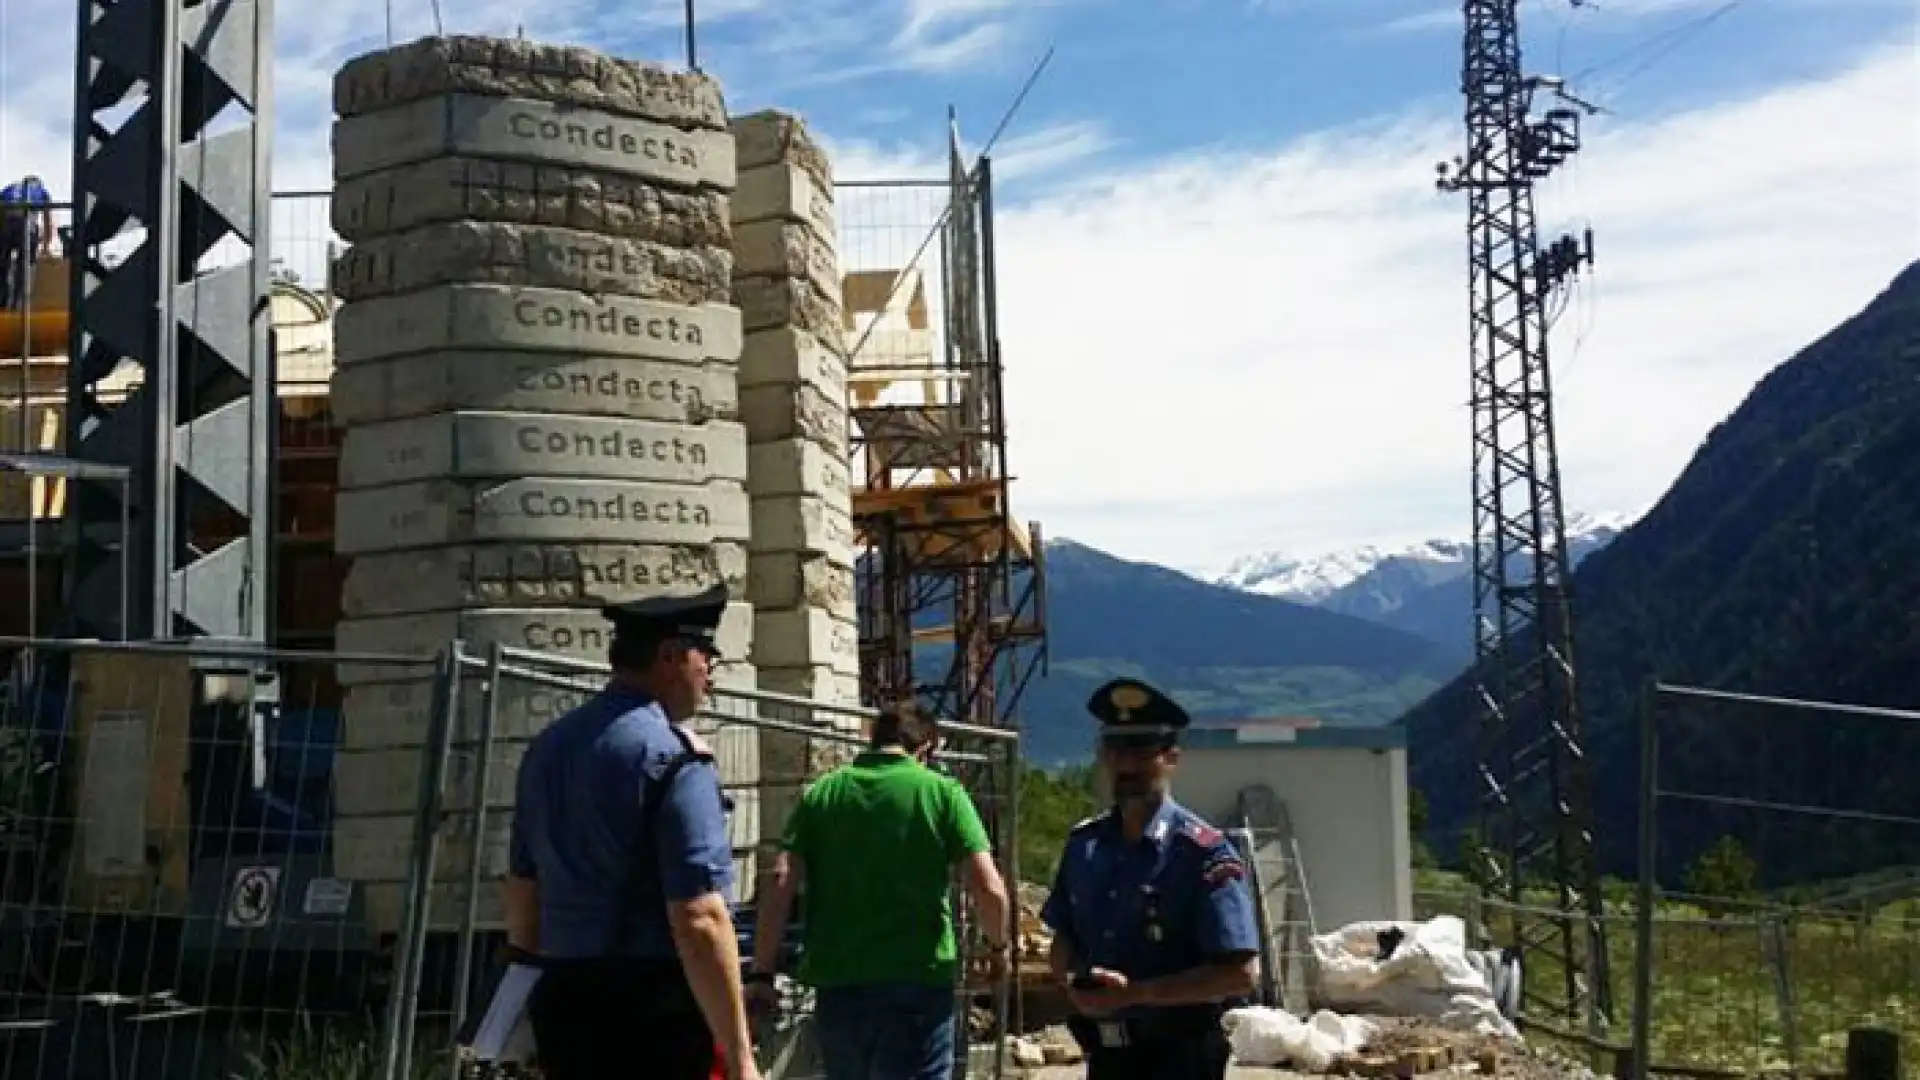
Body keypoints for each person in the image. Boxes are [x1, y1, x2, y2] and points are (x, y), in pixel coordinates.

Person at [504, 584, 762, 1080]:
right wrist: (741, 1056)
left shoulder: (547, 750)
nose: (710, 673)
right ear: (670, 656)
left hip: (564, 998)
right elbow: (699, 918)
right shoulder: (673, 759)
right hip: (651, 1009)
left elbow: (523, 892)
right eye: (706, 655)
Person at [747, 703, 1012, 1080]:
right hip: (918, 980)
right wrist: (999, 947)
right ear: (928, 749)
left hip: (839, 985)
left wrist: (761, 973)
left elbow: (780, 881)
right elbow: (988, 887)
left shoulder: (823, 794)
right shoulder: (941, 793)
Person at [1039, 678, 1261, 1080]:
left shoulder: (1202, 853)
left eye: (1142, 751)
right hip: (1105, 1057)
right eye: (1116, 749)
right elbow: (1065, 938)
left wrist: (1138, 994)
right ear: (1102, 755)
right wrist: (1074, 982)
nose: (1127, 765)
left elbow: (1240, 973)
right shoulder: (1085, 846)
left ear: (1170, 757)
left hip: (1179, 1058)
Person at [0, 175, 53, 310]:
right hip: (26, 224)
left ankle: (2, 301)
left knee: (2, 265)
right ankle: (17, 305)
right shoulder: (41, 191)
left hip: (6, 223)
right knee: (24, 266)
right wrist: (46, 246)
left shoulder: (9, 188)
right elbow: (48, 220)